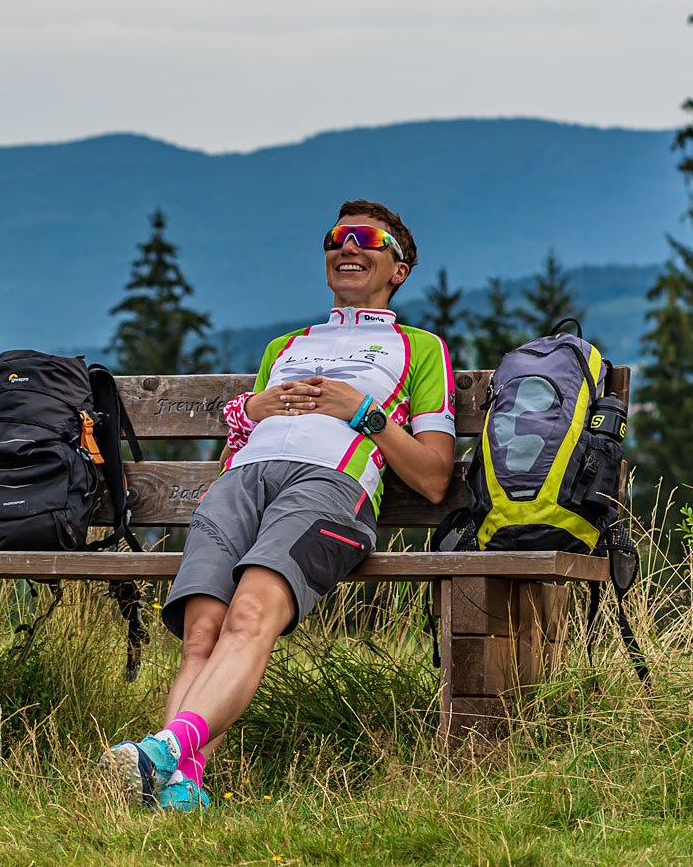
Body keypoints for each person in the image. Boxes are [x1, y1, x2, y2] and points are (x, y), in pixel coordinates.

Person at [101, 199, 455, 811]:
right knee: (199, 636)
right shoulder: (286, 346)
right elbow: (236, 446)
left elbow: (432, 477)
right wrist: (247, 412)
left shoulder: (420, 349)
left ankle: (164, 750)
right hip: (241, 483)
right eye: (335, 238)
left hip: (330, 486)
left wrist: (362, 413)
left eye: (367, 239)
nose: (347, 246)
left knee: (250, 616)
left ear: (399, 268)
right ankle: (181, 789)